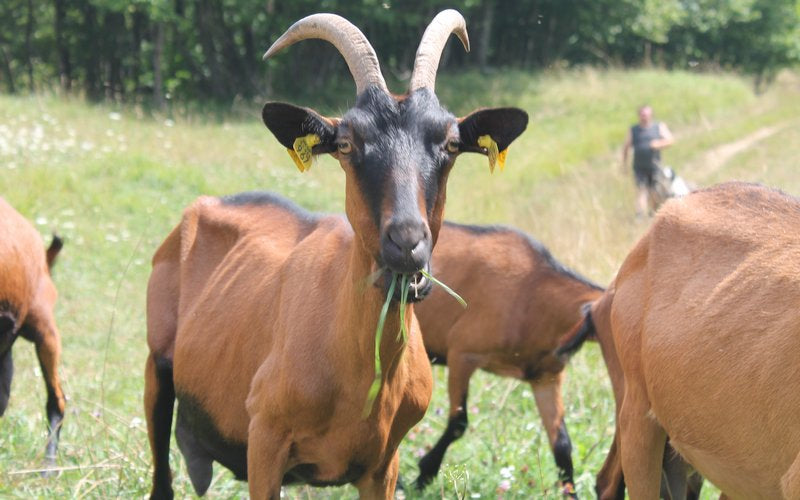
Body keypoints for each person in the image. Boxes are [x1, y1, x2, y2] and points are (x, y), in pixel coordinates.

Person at [622, 105, 674, 216]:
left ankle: (654, 213)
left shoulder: (658, 127)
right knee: (641, 190)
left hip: (654, 166)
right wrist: (624, 164)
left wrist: (659, 144)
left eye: (646, 115)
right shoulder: (634, 130)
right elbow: (626, 147)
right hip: (639, 167)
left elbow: (670, 140)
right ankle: (640, 215)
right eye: (642, 115)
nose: (644, 117)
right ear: (639, 116)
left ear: (651, 115)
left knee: (655, 190)